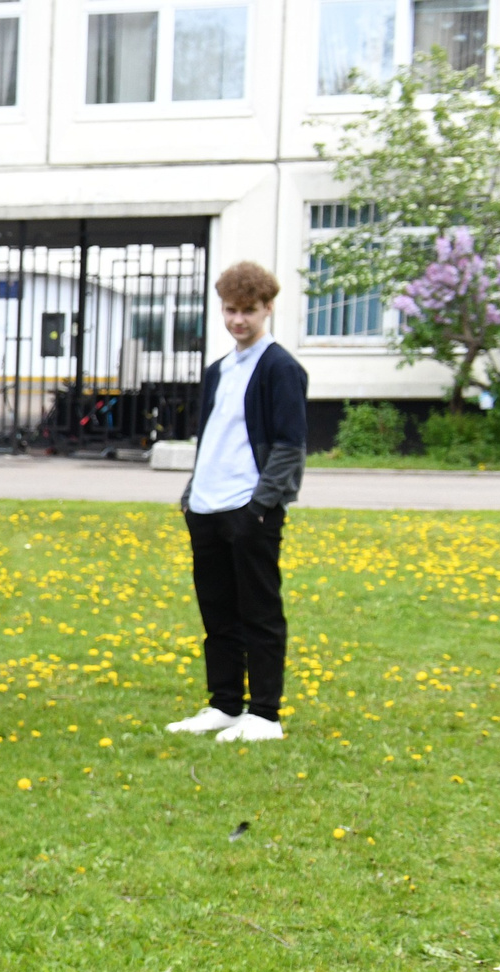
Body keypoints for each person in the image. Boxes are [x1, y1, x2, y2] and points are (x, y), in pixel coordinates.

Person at [168, 260, 305, 745]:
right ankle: (224, 705)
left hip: (251, 510)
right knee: (217, 614)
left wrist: (261, 505)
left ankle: (265, 714)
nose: (238, 320)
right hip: (206, 509)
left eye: (248, 310)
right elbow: (212, 439)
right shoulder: (218, 370)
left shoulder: (281, 368)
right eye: (230, 310)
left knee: (259, 612)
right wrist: (190, 496)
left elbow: (289, 446)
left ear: (268, 308)